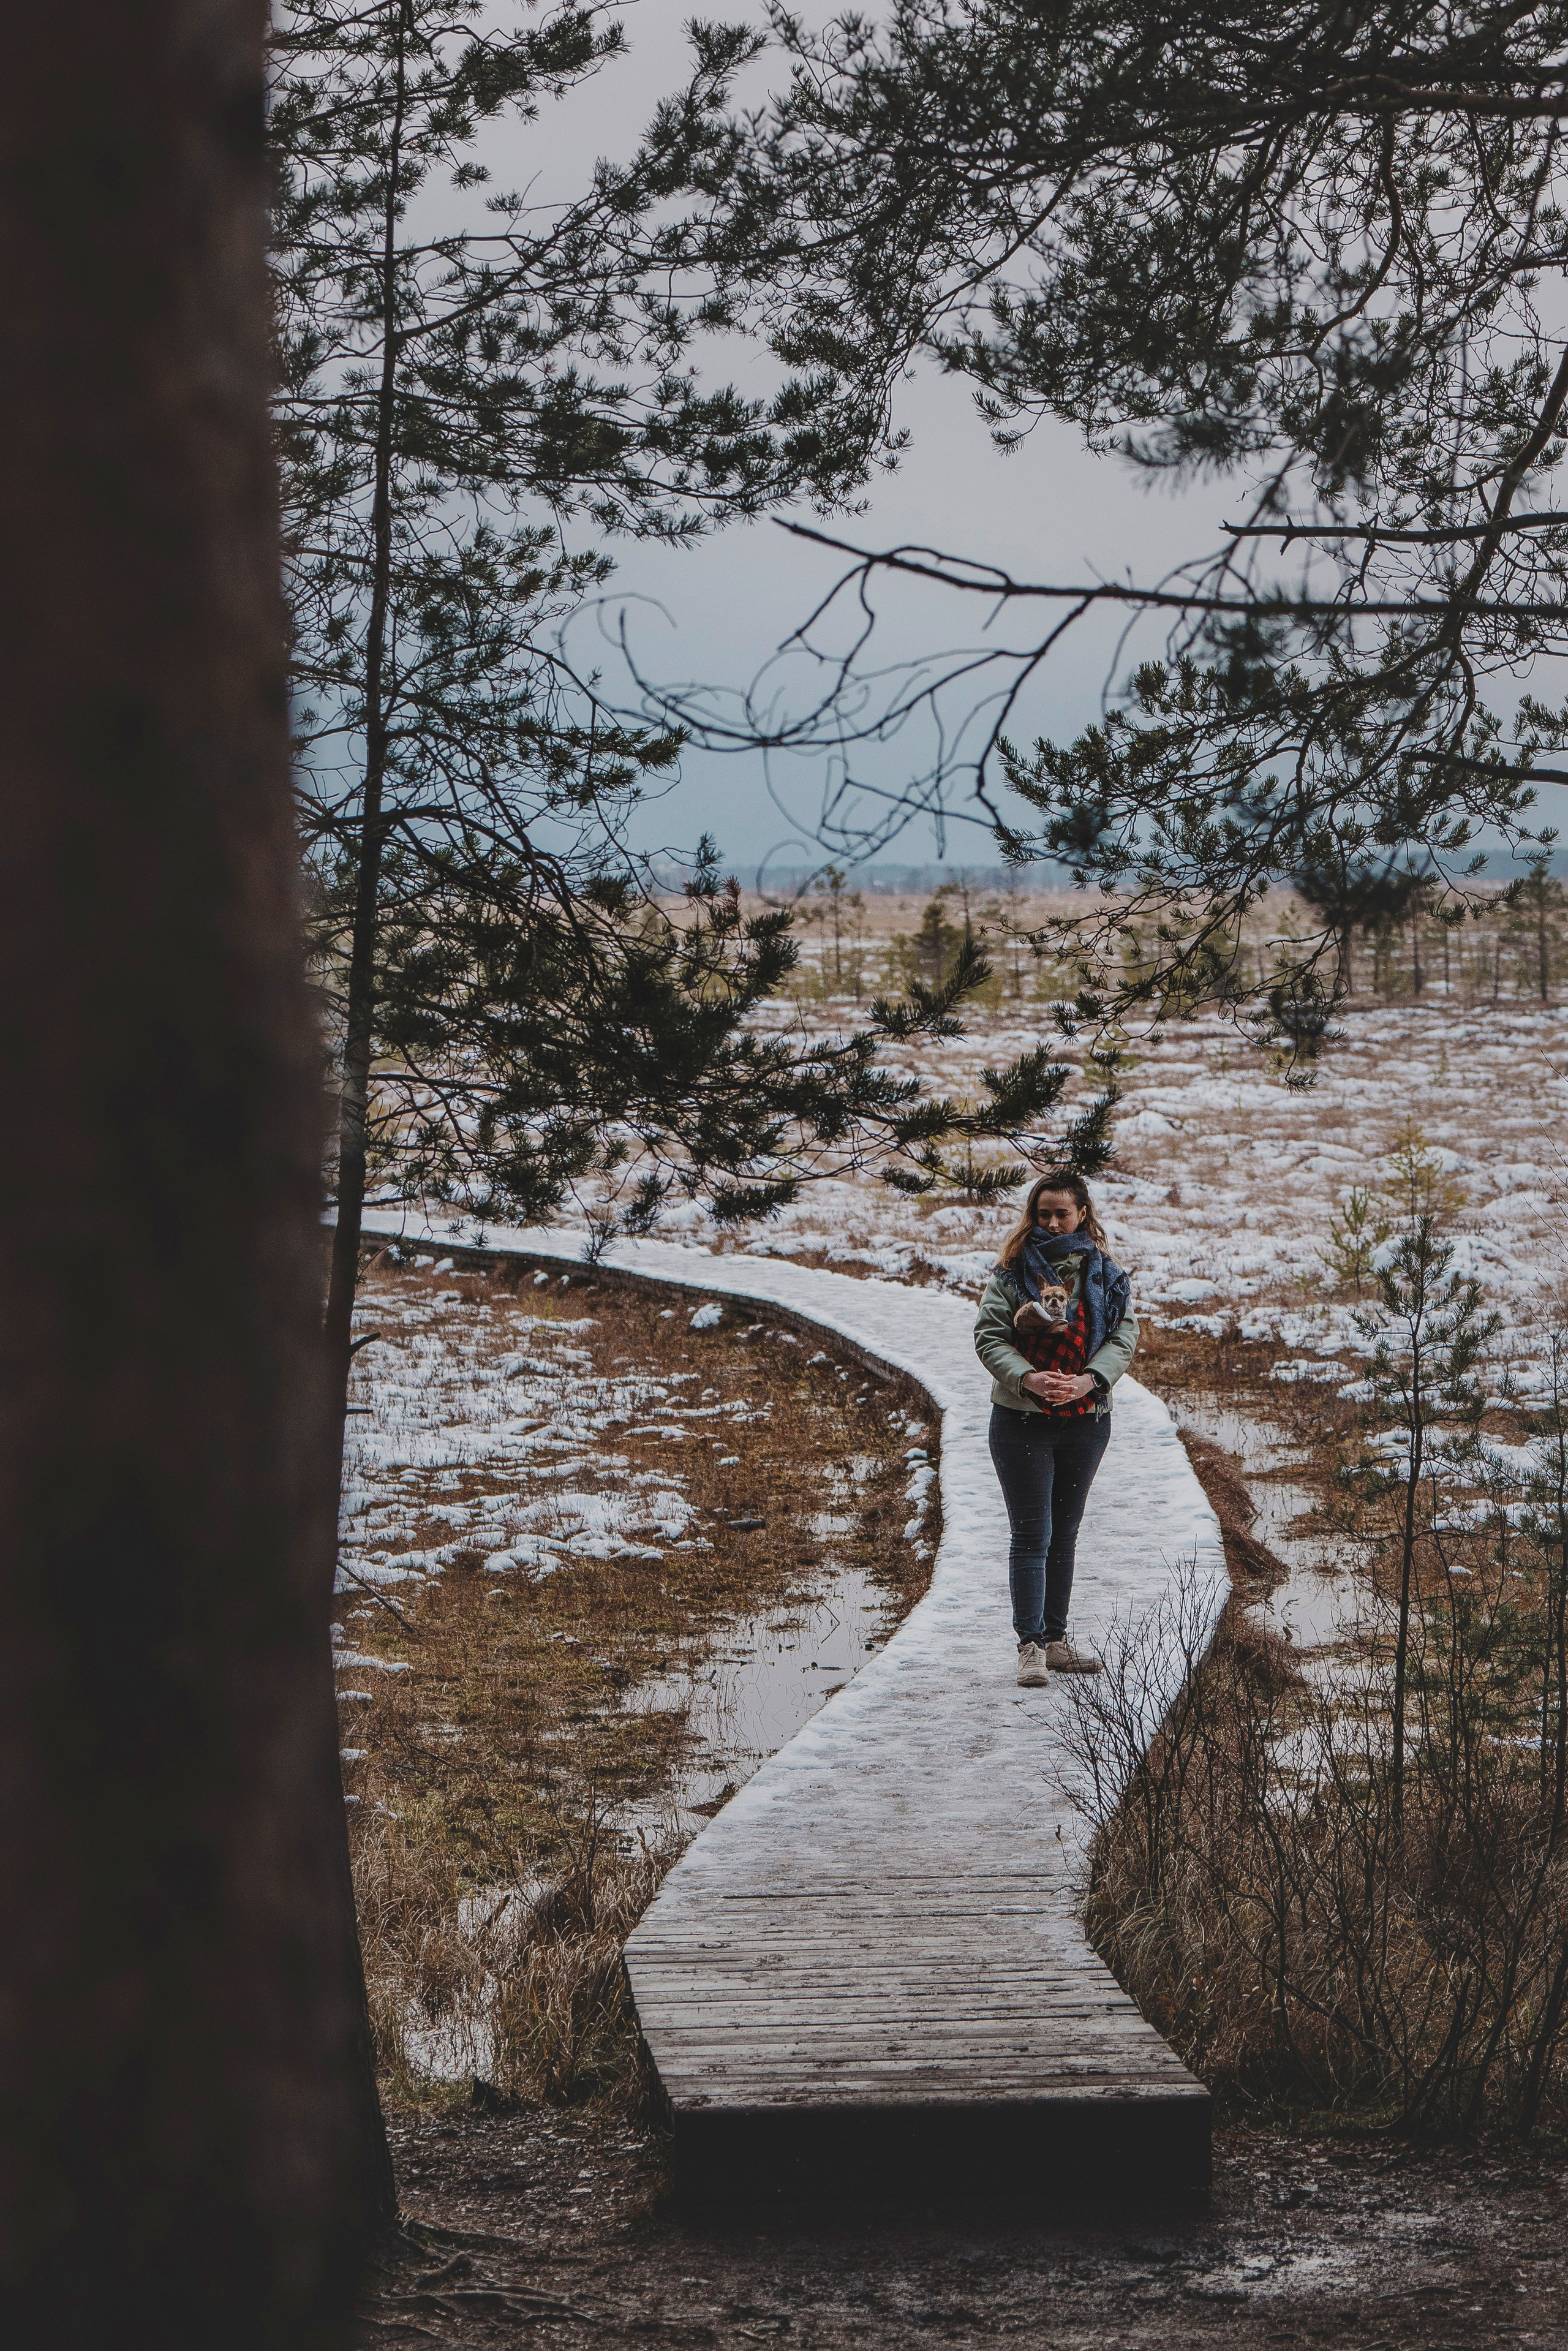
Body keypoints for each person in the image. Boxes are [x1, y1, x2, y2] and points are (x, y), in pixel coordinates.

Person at [973, 1169, 1138, 1688]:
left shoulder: (1106, 1274)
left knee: (1064, 1533)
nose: (1050, 1221)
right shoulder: (1009, 1273)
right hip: (1021, 1420)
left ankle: (1057, 1641)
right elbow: (989, 1337)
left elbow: (1124, 1336)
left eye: (1061, 1213)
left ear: (1082, 1213)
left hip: (1086, 1421)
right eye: (1042, 1213)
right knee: (1031, 1533)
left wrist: (1091, 1381)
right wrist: (1028, 1379)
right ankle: (1030, 1647)